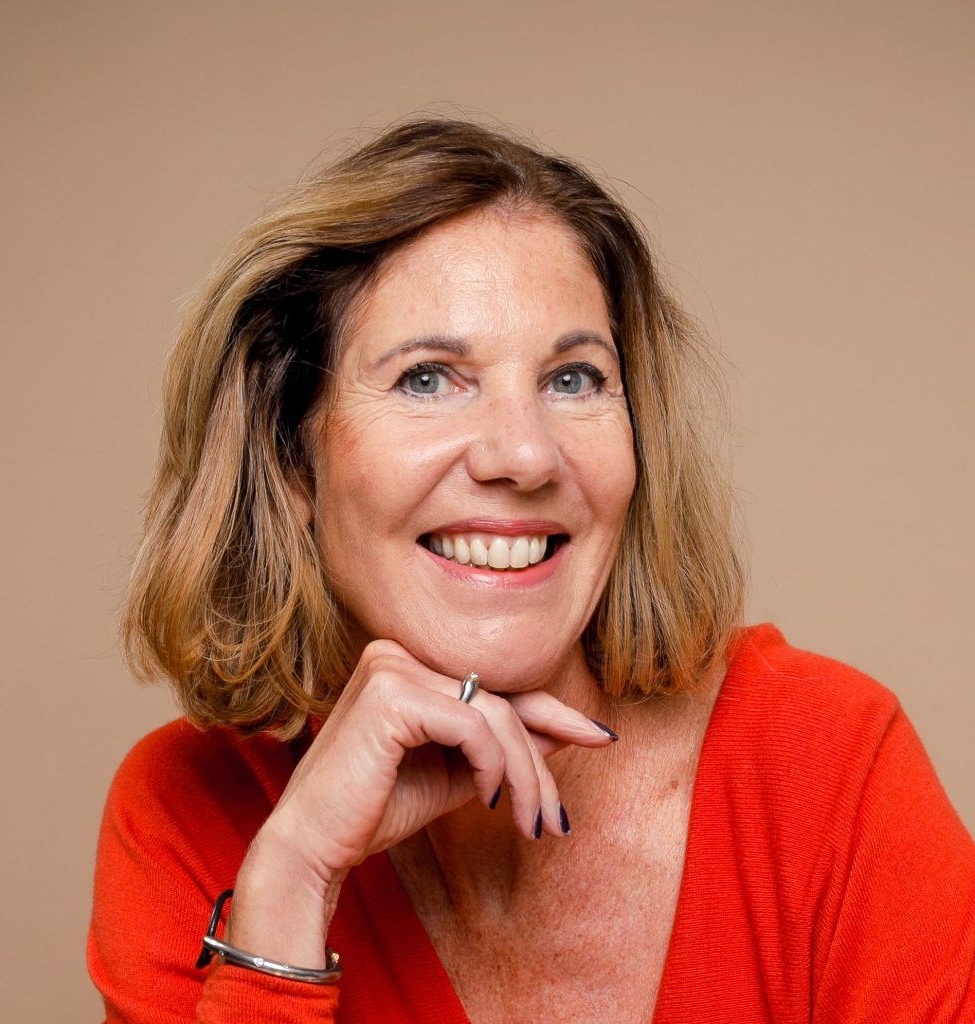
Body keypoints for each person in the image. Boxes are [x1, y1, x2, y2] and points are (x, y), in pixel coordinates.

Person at [88, 120, 975, 1023]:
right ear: (291, 461)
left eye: (573, 380)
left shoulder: (823, 766)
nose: (523, 455)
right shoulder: (189, 815)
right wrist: (292, 881)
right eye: (427, 379)